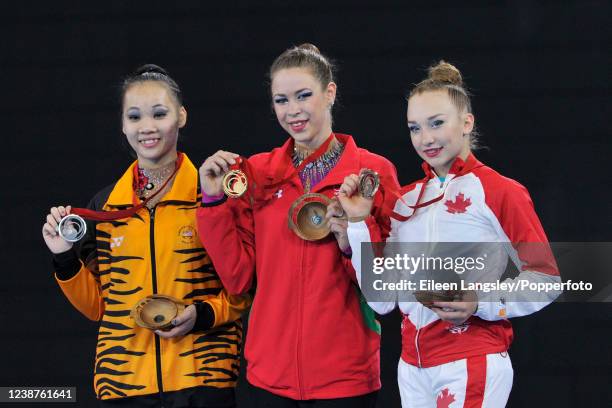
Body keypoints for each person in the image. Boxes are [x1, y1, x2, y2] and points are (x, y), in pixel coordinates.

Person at [338, 61, 561, 407]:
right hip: (411, 369)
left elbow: (547, 280)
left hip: (470, 358)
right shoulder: (405, 201)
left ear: (467, 122)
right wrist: (357, 223)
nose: (425, 138)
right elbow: (381, 300)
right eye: (414, 128)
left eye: (437, 123)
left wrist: (480, 303)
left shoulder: (500, 191)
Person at [196, 44, 400, 407]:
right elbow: (238, 279)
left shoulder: (372, 173)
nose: (293, 111)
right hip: (269, 380)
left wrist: (352, 233)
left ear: (331, 92)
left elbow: (386, 288)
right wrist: (213, 202)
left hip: (345, 379)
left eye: (303, 96)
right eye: (281, 100)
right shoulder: (255, 174)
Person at [42, 64, 251, 407]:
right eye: (135, 117)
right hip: (124, 383)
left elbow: (242, 290)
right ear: (123, 125)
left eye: (159, 113)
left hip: (201, 379)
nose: (147, 127)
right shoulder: (104, 207)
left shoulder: (211, 196)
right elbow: (98, 307)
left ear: (181, 116)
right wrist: (64, 256)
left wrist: (202, 314)